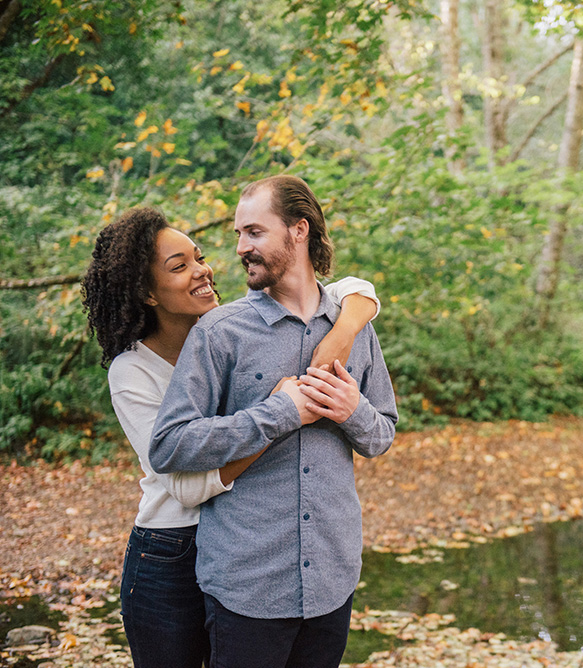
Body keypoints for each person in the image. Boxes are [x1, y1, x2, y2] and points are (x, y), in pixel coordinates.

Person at [80, 206, 380, 668]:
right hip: (170, 550)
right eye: (179, 267)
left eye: (198, 257)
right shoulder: (133, 371)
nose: (202, 271)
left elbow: (350, 290)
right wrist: (284, 415)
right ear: (147, 293)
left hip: (247, 548)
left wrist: (345, 330)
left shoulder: (232, 329)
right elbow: (184, 484)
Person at [148, 175, 397, 668]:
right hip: (247, 585)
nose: (241, 247)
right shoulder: (219, 332)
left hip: (332, 579)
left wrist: (354, 412)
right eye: (240, 234)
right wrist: (278, 413)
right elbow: (168, 446)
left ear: (299, 230)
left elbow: (382, 433)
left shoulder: (354, 328)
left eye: (255, 233)